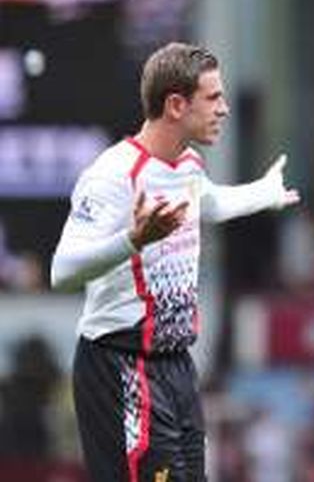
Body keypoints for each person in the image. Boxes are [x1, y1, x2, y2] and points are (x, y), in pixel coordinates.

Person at [50, 42, 300, 481]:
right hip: (121, 364)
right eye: (213, 97)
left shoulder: (187, 163)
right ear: (176, 104)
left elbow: (211, 202)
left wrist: (264, 192)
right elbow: (62, 271)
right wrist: (133, 240)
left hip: (175, 364)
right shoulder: (112, 175)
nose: (223, 109)